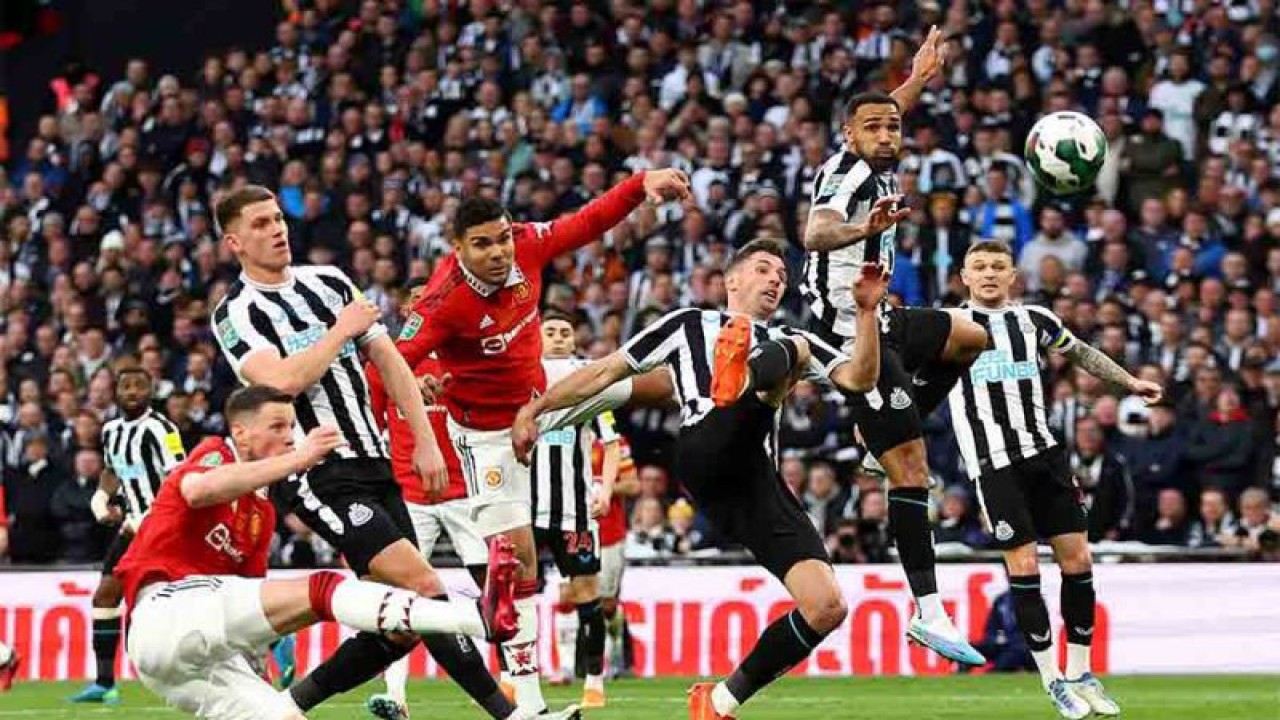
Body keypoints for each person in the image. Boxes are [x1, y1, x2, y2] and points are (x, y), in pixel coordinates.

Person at [209, 186, 553, 720]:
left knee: (398, 625)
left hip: (378, 462)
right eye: (260, 224)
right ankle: (513, 713)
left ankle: (282, 709)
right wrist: (338, 332)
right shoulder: (235, 313)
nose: (277, 229)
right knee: (423, 586)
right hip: (319, 471)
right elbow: (281, 382)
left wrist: (423, 441)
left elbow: (391, 360)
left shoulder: (329, 282)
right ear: (234, 242)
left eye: (278, 218)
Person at [510, 239, 888, 720]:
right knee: (788, 352)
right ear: (731, 280)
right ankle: (739, 385)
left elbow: (861, 379)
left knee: (827, 606)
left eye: (781, 276)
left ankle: (719, 702)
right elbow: (603, 371)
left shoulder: (794, 337)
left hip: (754, 479)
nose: (776, 279)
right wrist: (537, 407)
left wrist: (866, 313)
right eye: (764, 269)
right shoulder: (686, 323)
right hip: (705, 444)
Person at [392, 168, 690, 715]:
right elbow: (386, 365)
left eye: (502, 238)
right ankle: (529, 705)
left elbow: (587, 222)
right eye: (482, 245)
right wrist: (421, 381)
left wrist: (640, 183)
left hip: (542, 392)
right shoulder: (442, 302)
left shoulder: (527, 245)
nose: (499, 252)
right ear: (457, 248)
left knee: (641, 380)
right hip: (487, 433)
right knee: (516, 562)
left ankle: (730, 381)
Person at [114, 385, 521, 720]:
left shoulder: (262, 512)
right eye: (277, 426)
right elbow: (199, 491)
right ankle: (478, 619)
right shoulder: (214, 455)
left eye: (292, 426)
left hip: (191, 667)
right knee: (323, 588)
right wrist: (302, 457)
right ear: (241, 433)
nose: (290, 436)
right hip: (162, 613)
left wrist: (263, 670)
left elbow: (252, 604)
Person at [800, 35, 989, 663]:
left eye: (893, 127)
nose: (887, 134)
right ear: (850, 137)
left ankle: (880, 441)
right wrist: (867, 229)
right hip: (850, 330)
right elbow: (817, 230)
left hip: (884, 315)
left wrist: (919, 76)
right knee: (915, 471)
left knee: (972, 335)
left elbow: (887, 109)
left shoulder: (871, 150)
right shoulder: (850, 174)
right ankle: (928, 611)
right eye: (873, 128)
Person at [946, 240, 1163, 719]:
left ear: (1012, 276)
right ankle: (1052, 678)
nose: (988, 274)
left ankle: (1082, 671)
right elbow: (908, 379)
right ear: (964, 275)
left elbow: (1082, 353)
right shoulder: (949, 326)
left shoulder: (1034, 320)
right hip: (995, 462)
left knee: (1078, 558)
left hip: (1045, 455)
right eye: (978, 266)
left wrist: (1130, 382)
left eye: (997, 267)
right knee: (1023, 565)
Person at [363, 279, 492, 719]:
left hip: (464, 491)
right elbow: (370, 427)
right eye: (419, 300)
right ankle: (395, 697)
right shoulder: (383, 362)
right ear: (404, 307)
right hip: (409, 494)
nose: (427, 307)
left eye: (434, 300)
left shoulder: (464, 355)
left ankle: (511, 685)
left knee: (493, 588)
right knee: (401, 595)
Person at [72, 367, 186, 705]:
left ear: (151, 392)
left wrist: (152, 517)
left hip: (163, 527)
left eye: (140, 386)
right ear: (116, 392)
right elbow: (112, 471)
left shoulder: (163, 429)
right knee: (105, 596)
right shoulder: (110, 431)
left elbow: (178, 478)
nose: (132, 391)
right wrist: (102, 497)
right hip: (132, 527)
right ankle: (105, 683)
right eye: (126, 386)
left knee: (194, 596)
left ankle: (271, 642)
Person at [530, 310, 624, 708]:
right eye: (549, 332)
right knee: (513, 596)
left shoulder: (589, 383)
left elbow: (612, 442)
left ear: (574, 342)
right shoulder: (521, 380)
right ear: (537, 339)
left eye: (564, 333)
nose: (556, 338)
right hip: (526, 510)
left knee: (588, 597)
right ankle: (513, 680)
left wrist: (604, 488)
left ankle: (594, 682)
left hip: (575, 511)